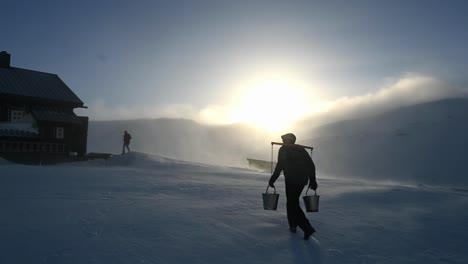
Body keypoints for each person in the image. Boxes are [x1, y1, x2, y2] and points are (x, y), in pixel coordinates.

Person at [268, 133, 318, 240]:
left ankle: (306, 227)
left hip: (291, 180)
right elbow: (311, 165)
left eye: (283, 139)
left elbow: (279, 166)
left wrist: (272, 179)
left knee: (292, 203)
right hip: (302, 180)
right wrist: (312, 180)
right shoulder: (301, 149)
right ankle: (293, 225)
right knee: (292, 202)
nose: (282, 141)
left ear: (287, 140)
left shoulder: (283, 150)